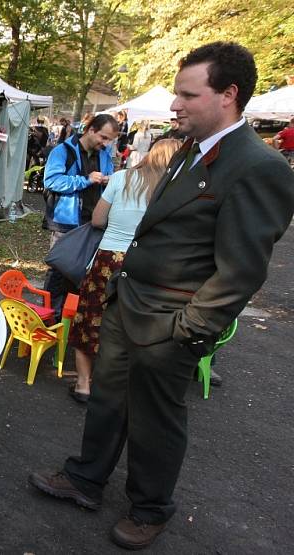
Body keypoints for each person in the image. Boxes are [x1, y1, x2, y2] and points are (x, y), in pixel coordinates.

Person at [29, 42, 294, 550]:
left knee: (156, 421)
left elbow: (240, 272)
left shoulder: (258, 166)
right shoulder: (189, 150)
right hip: (128, 304)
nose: (175, 105)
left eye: (187, 95)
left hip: (170, 322)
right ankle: (86, 479)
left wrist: (185, 331)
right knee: (107, 402)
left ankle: (150, 509)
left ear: (228, 95)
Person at [67, 139, 181, 403]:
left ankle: (83, 384)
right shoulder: (173, 189)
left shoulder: (121, 178)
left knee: (90, 318)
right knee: (136, 323)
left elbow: (97, 220)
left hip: (108, 259)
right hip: (148, 262)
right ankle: (119, 386)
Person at [42, 113, 118, 319]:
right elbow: (51, 181)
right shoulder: (62, 151)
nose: (106, 143)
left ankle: (69, 317)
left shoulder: (104, 154)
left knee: (82, 273)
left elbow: (109, 177)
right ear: (90, 130)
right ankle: (50, 316)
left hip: (93, 222)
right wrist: (85, 180)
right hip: (66, 222)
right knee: (59, 269)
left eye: (110, 139)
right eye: (103, 137)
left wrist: (109, 181)